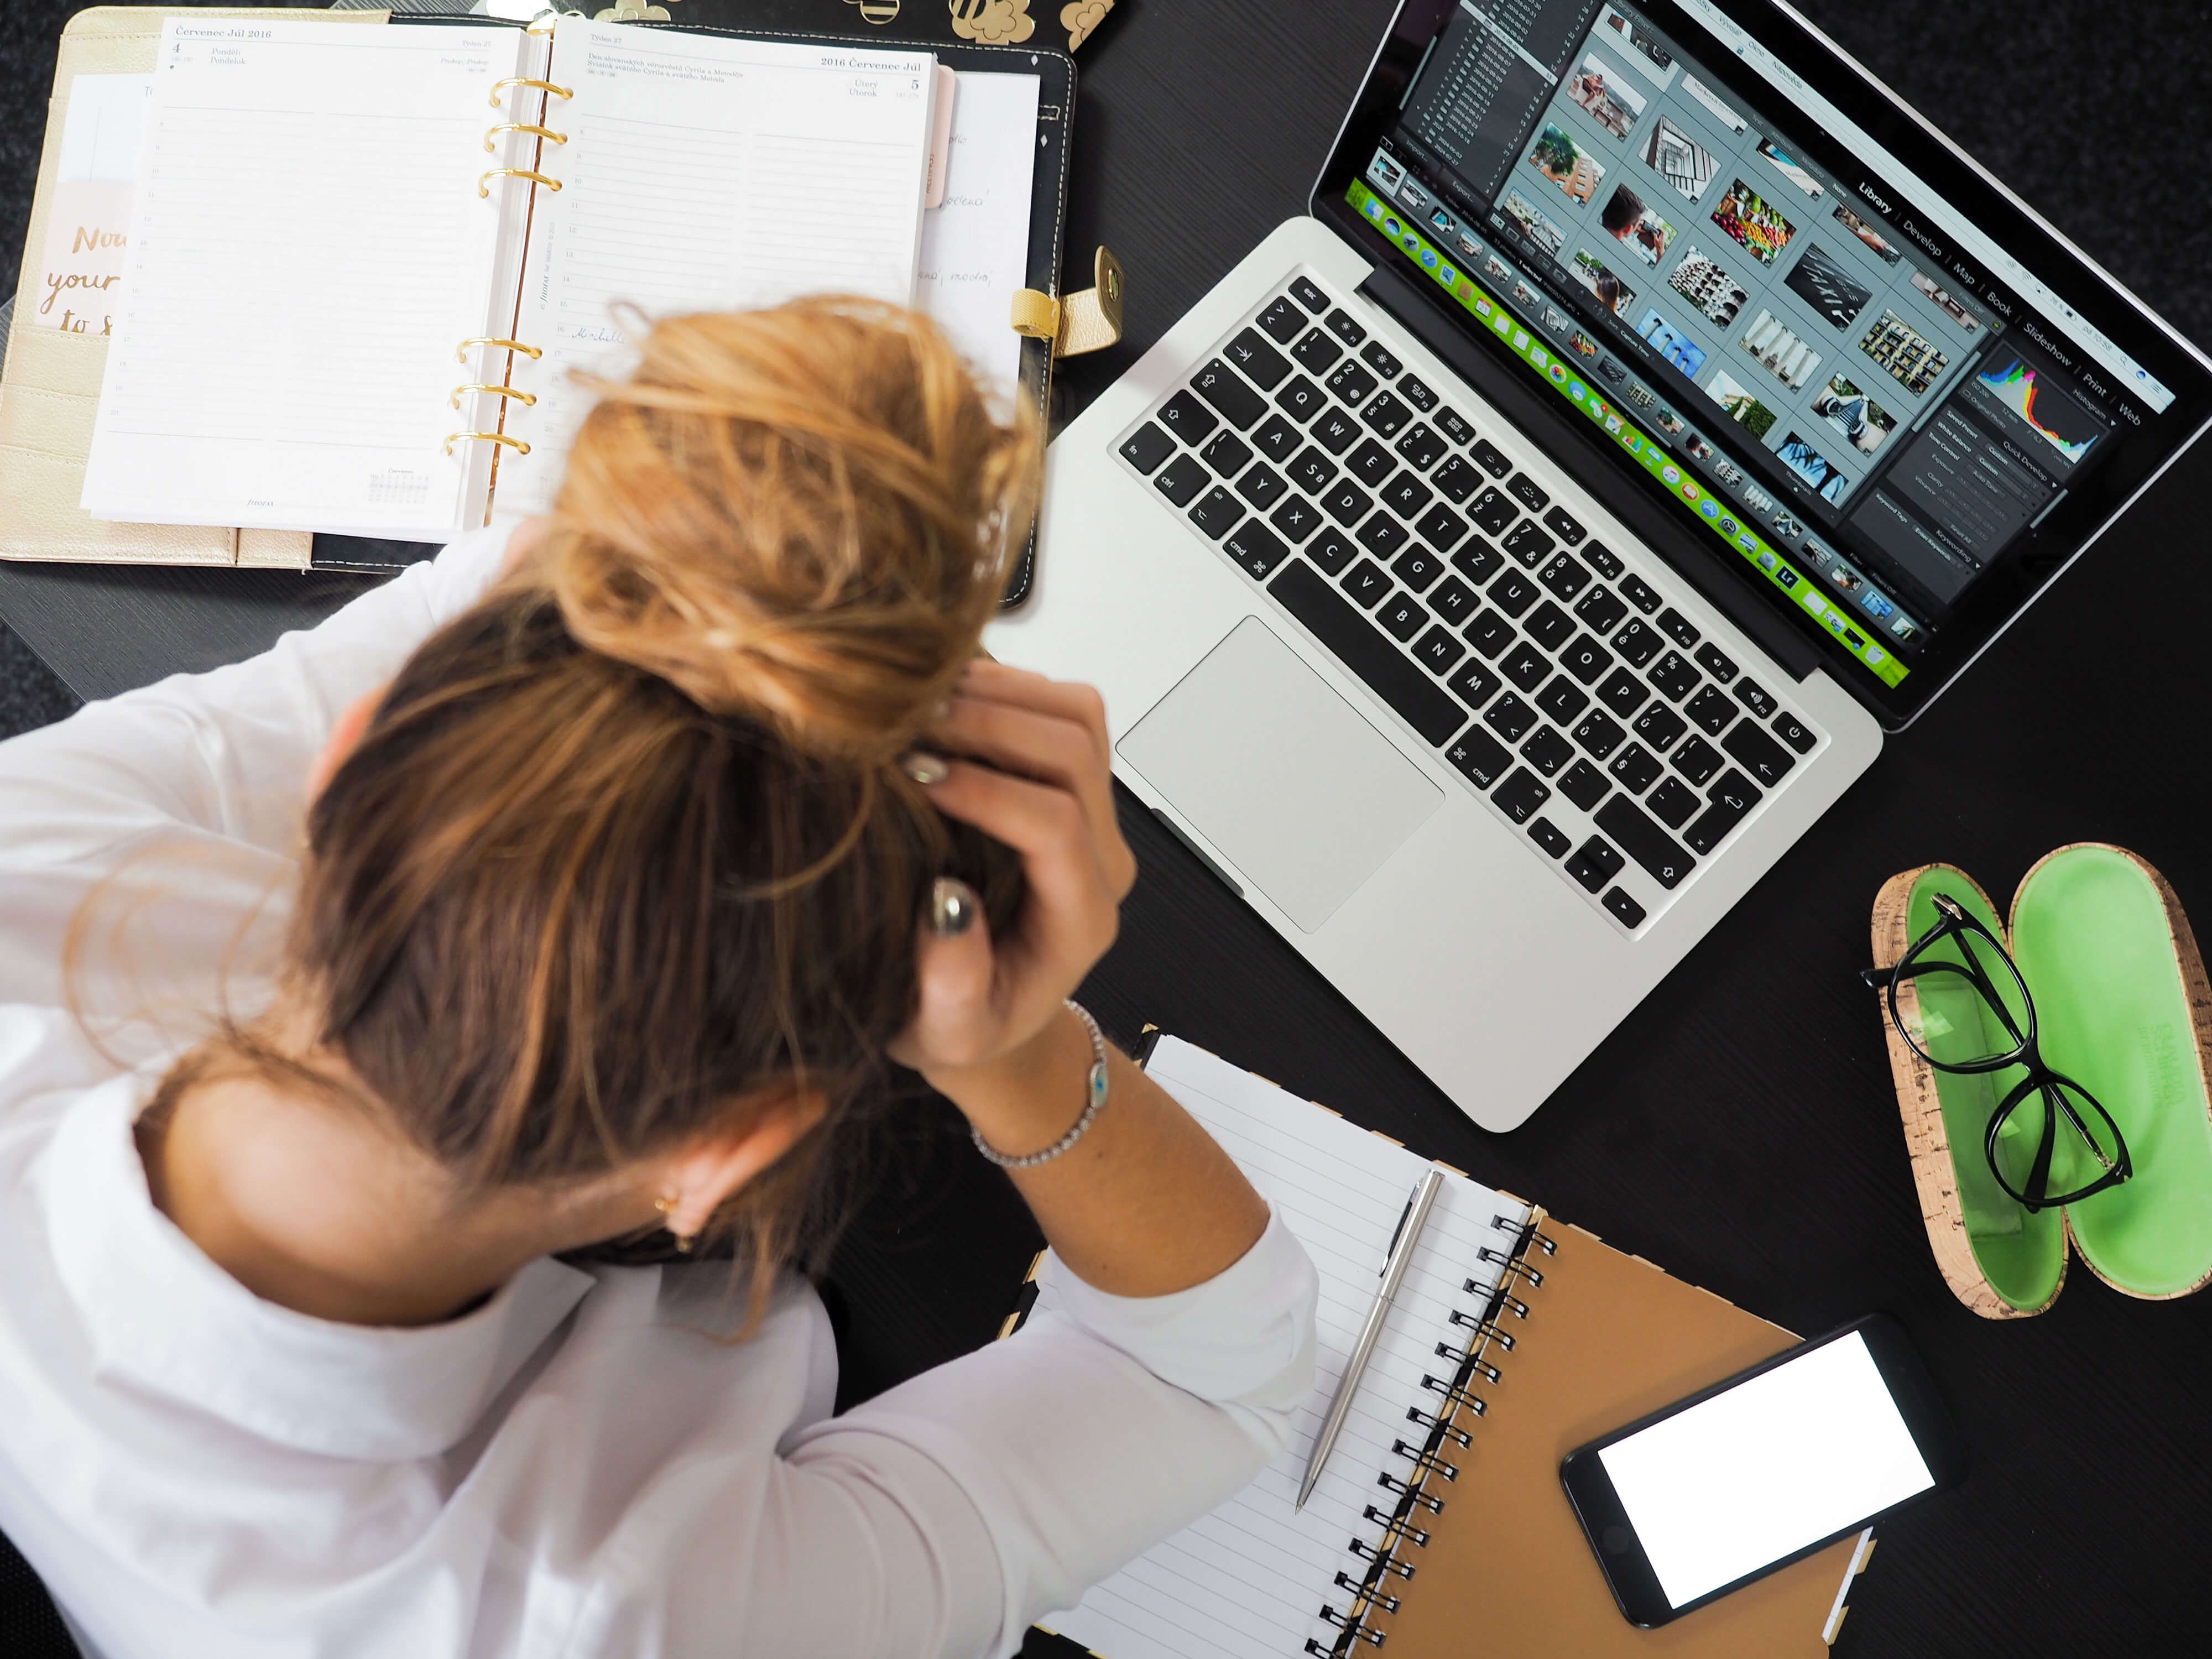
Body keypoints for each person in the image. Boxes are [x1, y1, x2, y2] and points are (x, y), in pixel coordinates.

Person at [0, 299, 1319, 1658]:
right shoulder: (622, 1622)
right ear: (723, 1158)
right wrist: (1020, 1051)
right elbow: (1212, 1375)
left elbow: (517, 582)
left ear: (339, 772)